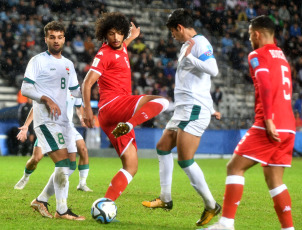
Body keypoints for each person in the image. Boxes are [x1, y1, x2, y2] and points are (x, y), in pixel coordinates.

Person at [204, 15, 295, 230]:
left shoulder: (257, 54)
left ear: (256, 34)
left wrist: (269, 119)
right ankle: (288, 229)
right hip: (289, 126)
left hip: (269, 124)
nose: (249, 39)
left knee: (234, 167)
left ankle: (226, 224)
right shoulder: (281, 56)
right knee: (274, 179)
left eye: (249, 35)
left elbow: (265, 85)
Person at [141, 9, 221, 227]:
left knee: (185, 160)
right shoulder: (187, 46)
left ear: (179, 28)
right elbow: (199, 82)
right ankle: (165, 199)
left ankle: (211, 205)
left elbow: (212, 69)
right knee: (162, 146)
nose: (172, 36)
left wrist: (191, 61)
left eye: (172, 32)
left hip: (194, 109)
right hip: (183, 109)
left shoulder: (200, 43)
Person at [82, 12, 169, 202]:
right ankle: (131, 124)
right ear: (105, 34)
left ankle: (106, 203)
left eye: (119, 33)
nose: (115, 37)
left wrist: (133, 36)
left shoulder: (122, 46)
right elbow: (87, 84)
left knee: (131, 166)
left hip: (115, 116)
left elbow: (124, 45)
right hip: (113, 106)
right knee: (162, 101)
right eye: (111, 34)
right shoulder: (104, 54)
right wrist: (88, 111)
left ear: (123, 34)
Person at [20, 21, 84, 220]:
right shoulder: (37, 61)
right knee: (63, 163)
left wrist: (86, 107)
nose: (56, 41)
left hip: (65, 121)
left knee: (71, 166)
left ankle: (41, 200)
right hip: (46, 120)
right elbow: (26, 89)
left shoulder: (68, 64)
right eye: (52, 37)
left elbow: (76, 92)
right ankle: (62, 211)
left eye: (60, 37)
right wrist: (45, 98)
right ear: (45, 39)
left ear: (64, 38)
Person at [14, 92, 92, 192]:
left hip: (68, 127)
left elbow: (78, 106)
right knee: (36, 159)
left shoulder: (74, 88)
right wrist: (26, 125)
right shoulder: (52, 87)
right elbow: (36, 107)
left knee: (83, 149)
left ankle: (82, 183)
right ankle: (25, 177)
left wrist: (81, 118)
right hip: (50, 128)